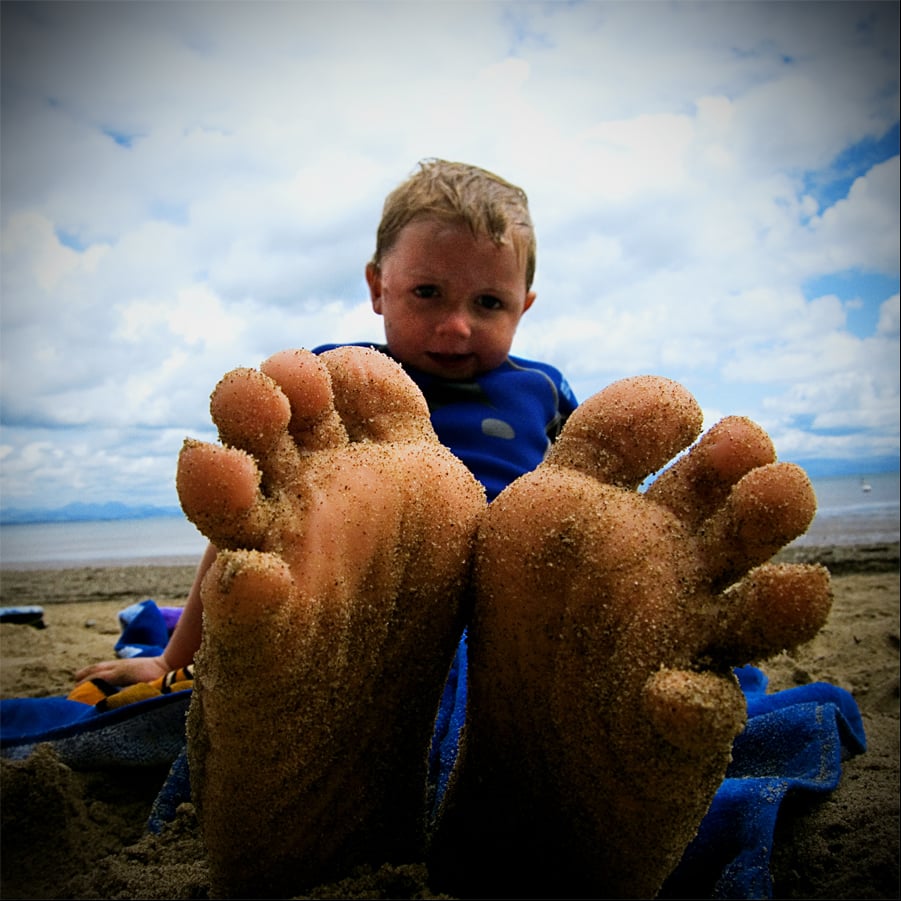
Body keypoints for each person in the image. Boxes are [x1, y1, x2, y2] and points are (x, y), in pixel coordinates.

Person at [74, 160, 831, 898]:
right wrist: (179, 657)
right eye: (428, 292)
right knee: (285, 591)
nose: (456, 324)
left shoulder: (543, 388)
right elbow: (247, 542)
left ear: (526, 304)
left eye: (489, 303)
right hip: (370, 610)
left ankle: (535, 765)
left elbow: (602, 492)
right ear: (376, 285)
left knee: (551, 541)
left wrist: (613, 565)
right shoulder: (337, 382)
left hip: (520, 627)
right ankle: (366, 774)